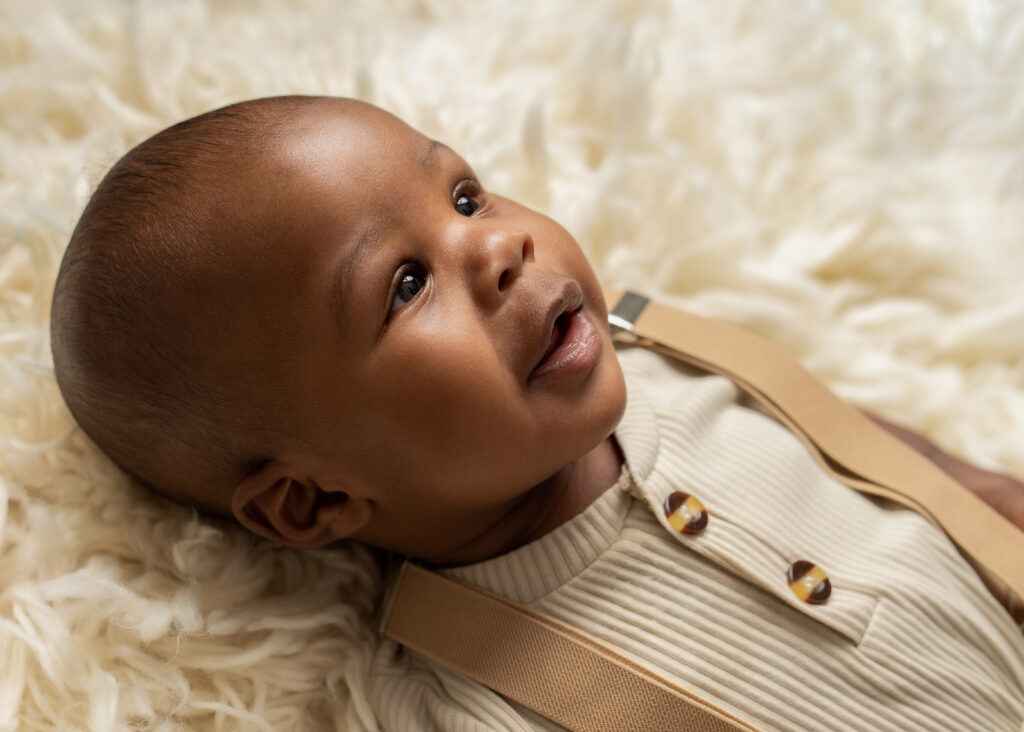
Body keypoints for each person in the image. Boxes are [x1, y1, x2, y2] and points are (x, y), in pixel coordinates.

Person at [50, 96, 1024, 731]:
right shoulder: (471, 697)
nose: (500, 247)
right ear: (310, 503)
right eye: (402, 285)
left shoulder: (669, 353)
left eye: (465, 196)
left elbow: (882, 461)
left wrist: (989, 497)